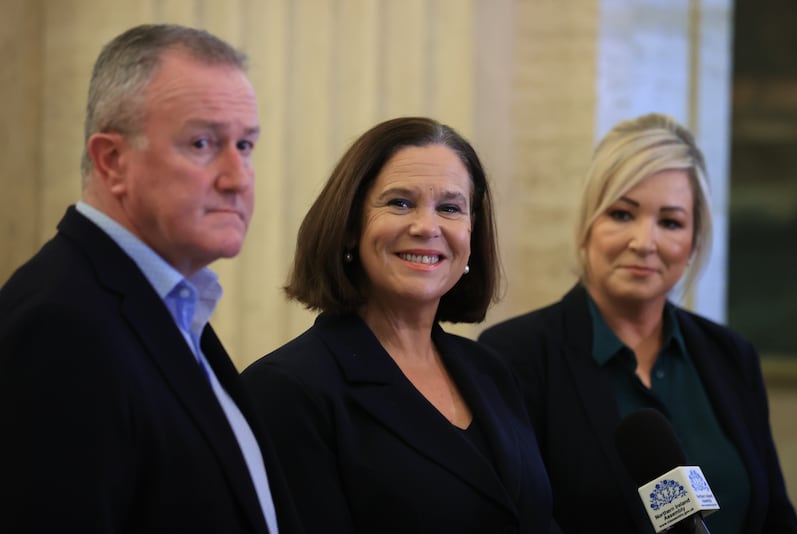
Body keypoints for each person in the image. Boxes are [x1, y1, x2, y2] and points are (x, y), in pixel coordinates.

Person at [0, 24, 299, 533]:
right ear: (112, 161)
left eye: (245, 145)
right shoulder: (59, 326)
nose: (237, 177)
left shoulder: (174, 306)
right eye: (203, 143)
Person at [479, 112, 797, 533]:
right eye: (622, 214)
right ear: (587, 226)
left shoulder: (730, 355)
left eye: (670, 222)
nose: (644, 242)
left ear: (692, 243)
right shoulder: (514, 355)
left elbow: (775, 515)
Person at [241, 117, 556, 533]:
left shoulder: (491, 371)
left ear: (471, 235)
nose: (427, 227)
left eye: (449, 208)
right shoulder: (285, 390)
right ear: (351, 227)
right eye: (400, 203)